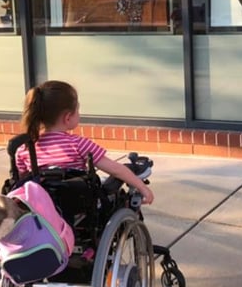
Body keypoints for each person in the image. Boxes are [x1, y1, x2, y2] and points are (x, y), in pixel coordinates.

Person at [15, 80, 154, 204]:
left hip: (42, 209)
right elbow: (115, 169)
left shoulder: (25, 149)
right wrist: (142, 187)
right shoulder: (78, 144)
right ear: (68, 117)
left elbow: (23, 181)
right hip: (77, 207)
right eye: (78, 110)